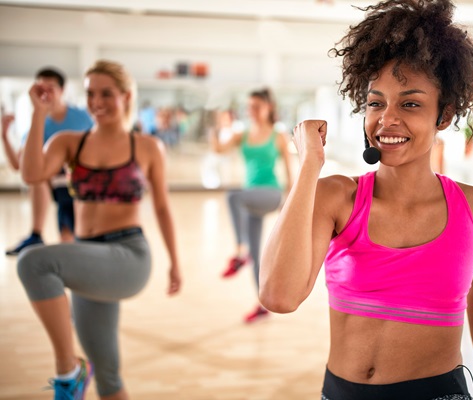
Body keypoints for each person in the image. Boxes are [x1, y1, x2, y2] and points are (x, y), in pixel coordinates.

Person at [259, 1, 473, 399]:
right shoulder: (337, 197)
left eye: (410, 104)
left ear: (444, 115)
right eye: (376, 103)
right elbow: (278, 296)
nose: (386, 119)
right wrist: (309, 166)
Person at [17, 59, 182, 400]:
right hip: (87, 255)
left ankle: (68, 371)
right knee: (108, 374)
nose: (97, 102)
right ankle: (79, 372)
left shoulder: (148, 147)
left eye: (106, 93)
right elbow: (31, 174)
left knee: (33, 262)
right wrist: (38, 113)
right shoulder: (68, 142)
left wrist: (174, 262)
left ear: (126, 96)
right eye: (91, 93)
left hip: (127, 256)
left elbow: (163, 207)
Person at [209, 88, 293, 323]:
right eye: (249, 107)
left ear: (269, 108)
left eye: (257, 106)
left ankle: (238, 252)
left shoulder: (278, 136)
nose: (252, 111)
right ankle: (262, 304)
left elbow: (289, 172)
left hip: (270, 193)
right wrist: (216, 126)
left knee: (232, 197)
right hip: (251, 198)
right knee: (256, 255)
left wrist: (290, 203)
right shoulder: (242, 135)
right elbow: (218, 149)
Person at [2, 68, 94, 255]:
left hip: (83, 183)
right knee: (37, 177)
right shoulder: (37, 124)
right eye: (41, 89)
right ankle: (36, 234)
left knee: (74, 240)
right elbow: (19, 166)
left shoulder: (83, 117)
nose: (46, 93)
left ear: (62, 90)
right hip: (57, 186)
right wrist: (3, 136)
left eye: (51, 88)